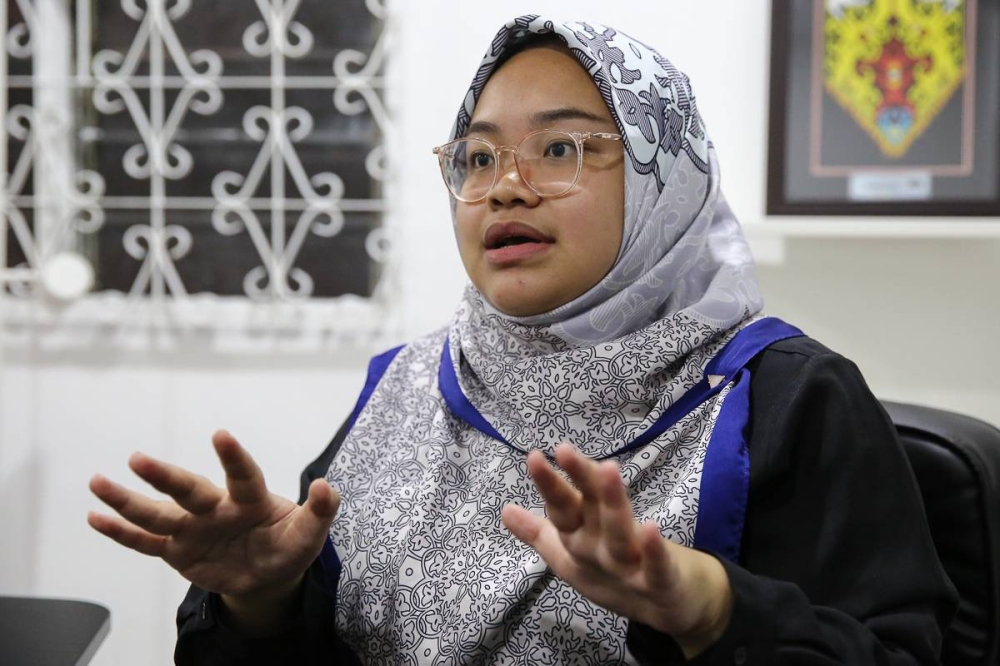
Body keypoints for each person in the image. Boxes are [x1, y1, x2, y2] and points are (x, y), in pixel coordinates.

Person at [88, 15, 957, 665]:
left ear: (665, 178)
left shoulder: (788, 396)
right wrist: (262, 604)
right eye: (477, 157)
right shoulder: (407, 381)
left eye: (561, 149)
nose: (505, 187)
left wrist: (712, 609)